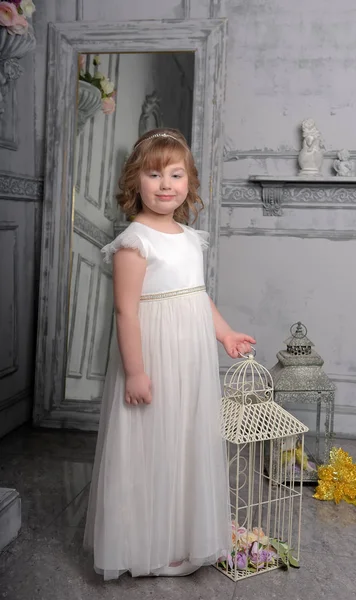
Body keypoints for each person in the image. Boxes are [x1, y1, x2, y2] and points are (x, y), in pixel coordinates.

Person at [83, 128, 256, 580]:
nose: (165, 184)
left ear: (189, 182)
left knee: (185, 442)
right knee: (151, 445)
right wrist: (135, 372)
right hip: (154, 358)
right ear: (134, 182)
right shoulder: (134, 242)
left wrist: (225, 333)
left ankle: (181, 536)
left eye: (176, 175)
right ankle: (146, 545)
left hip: (191, 360)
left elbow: (198, 295)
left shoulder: (189, 237)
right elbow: (125, 312)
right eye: (154, 173)